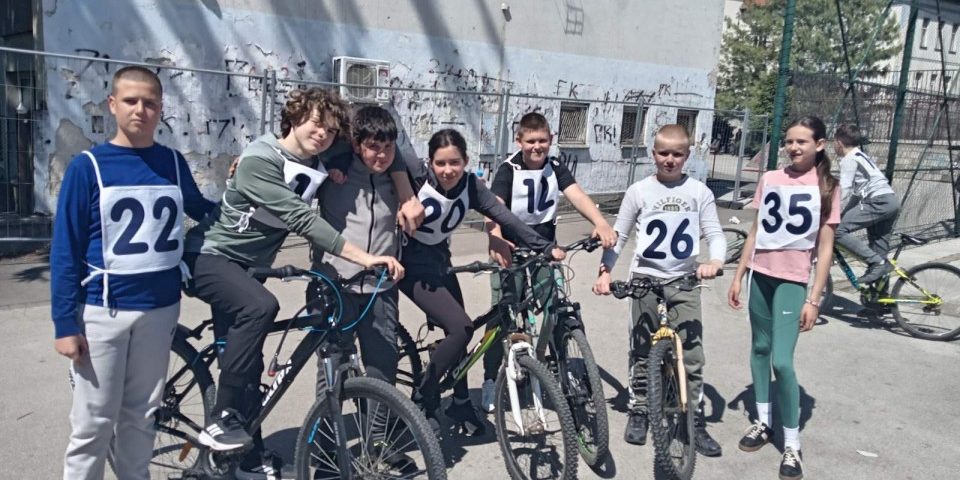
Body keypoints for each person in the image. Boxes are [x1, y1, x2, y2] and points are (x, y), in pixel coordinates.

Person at [184, 87, 408, 479]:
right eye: (316, 124)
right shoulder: (260, 159)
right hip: (211, 256)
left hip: (251, 267)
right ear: (293, 119)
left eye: (331, 130)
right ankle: (223, 419)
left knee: (248, 362)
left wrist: (398, 188)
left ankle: (245, 457)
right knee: (261, 307)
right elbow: (301, 219)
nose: (323, 134)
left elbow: (380, 143)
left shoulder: (318, 157)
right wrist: (364, 257)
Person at [51, 66, 216, 479]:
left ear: (160, 109)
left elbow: (203, 211)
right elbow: (66, 249)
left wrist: (247, 193)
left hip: (160, 310)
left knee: (142, 417)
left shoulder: (172, 163)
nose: (140, 110)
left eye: (150, 103)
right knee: (93, 423)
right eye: (130, 101)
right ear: (112, 105)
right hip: (103, 311)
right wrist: (64, 324)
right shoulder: (88, 166)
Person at [399, 128, 563, 436]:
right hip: (410, 268)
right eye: (440, 163)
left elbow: (504, 215)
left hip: (440, 263)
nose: (448, 170)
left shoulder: (471, 186)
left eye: (455, 162)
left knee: (459, 333)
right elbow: (394, 140)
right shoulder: (417, 179)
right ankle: (424, 396)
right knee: (461, 328)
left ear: (466, 161)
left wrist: (543, 247)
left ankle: (460, 402)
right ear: (430, 162)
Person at [592, 124, 725, 457]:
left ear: (687, 156)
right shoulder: (638, 191)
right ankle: (639, 408)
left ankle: (693, 418)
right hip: (645, 280)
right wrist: (605, 271)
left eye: (677, 154)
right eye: (663, 153)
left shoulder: (699, 192)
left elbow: (714, 233)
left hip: (683, 280)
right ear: (653, 154)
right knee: (641, 348)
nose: (669, 160)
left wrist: (715, 261)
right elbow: (620, 235)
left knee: (691, 354)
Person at [480, 112, 617, 412]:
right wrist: (495, 238)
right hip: (512, 250)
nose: (536, 146)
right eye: (530, 141)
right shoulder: (508, 170)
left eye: (542, 140)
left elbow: (577, 196)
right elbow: (493, 209)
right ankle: (490, 378)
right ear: (519, 141)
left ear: (551, 140)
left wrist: (600, 222)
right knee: (502, 312)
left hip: (545, 250)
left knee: (554, 306)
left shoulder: (555, 167)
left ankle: (561, 367)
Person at [727, 116, 840, 480]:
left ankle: (792, 444)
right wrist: (739, 274)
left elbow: (825, 248)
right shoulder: (771, 178)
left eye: (801, 142)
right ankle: (763, 422)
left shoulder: (826, 186)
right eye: (789, 141)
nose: (793, 147)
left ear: (819, 145)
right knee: (760, 349)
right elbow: (756, 230)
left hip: (792, 282)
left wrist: (814, 298)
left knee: (783, 362)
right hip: (760, 275)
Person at [308, 105, 405, 388]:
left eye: (388, 147)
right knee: (332, 370)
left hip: (380, 288)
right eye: (373, 147)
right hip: (335, 285)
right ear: (355, 144)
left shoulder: (398, 179)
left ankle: (378, 420)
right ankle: (326, 419)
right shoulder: (334, 172)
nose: (382, 155)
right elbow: (292, 160)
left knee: (382, 372)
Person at [833, 124, 900, 285]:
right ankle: (878, 297)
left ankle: (876, 262)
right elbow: (856, 195)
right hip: (890, 201)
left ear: (839, 142)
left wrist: (832, 211)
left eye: (834, 142)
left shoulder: (849, 159)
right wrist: (842, 213)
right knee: (879, 250)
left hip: (878, 201)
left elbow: (845, 189)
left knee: (836, 230)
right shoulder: (861, 155)